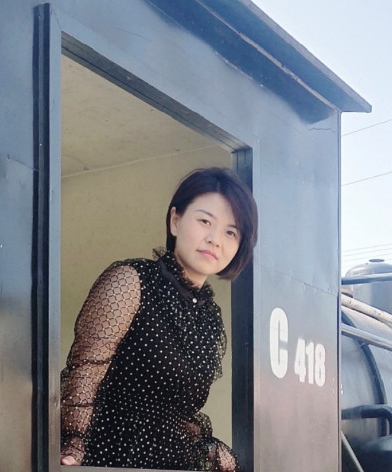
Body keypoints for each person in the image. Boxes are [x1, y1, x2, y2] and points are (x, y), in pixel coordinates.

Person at [60, 167, 258, 471]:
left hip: (170, 462)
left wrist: (215, 455)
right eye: (205, 221)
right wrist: (74, 443)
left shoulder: (209, 318)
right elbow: (86, 368)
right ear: (175, 220)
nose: (215, 240)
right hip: (113, 454)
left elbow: (177, 413)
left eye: (230, 232)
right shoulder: (131, 281)